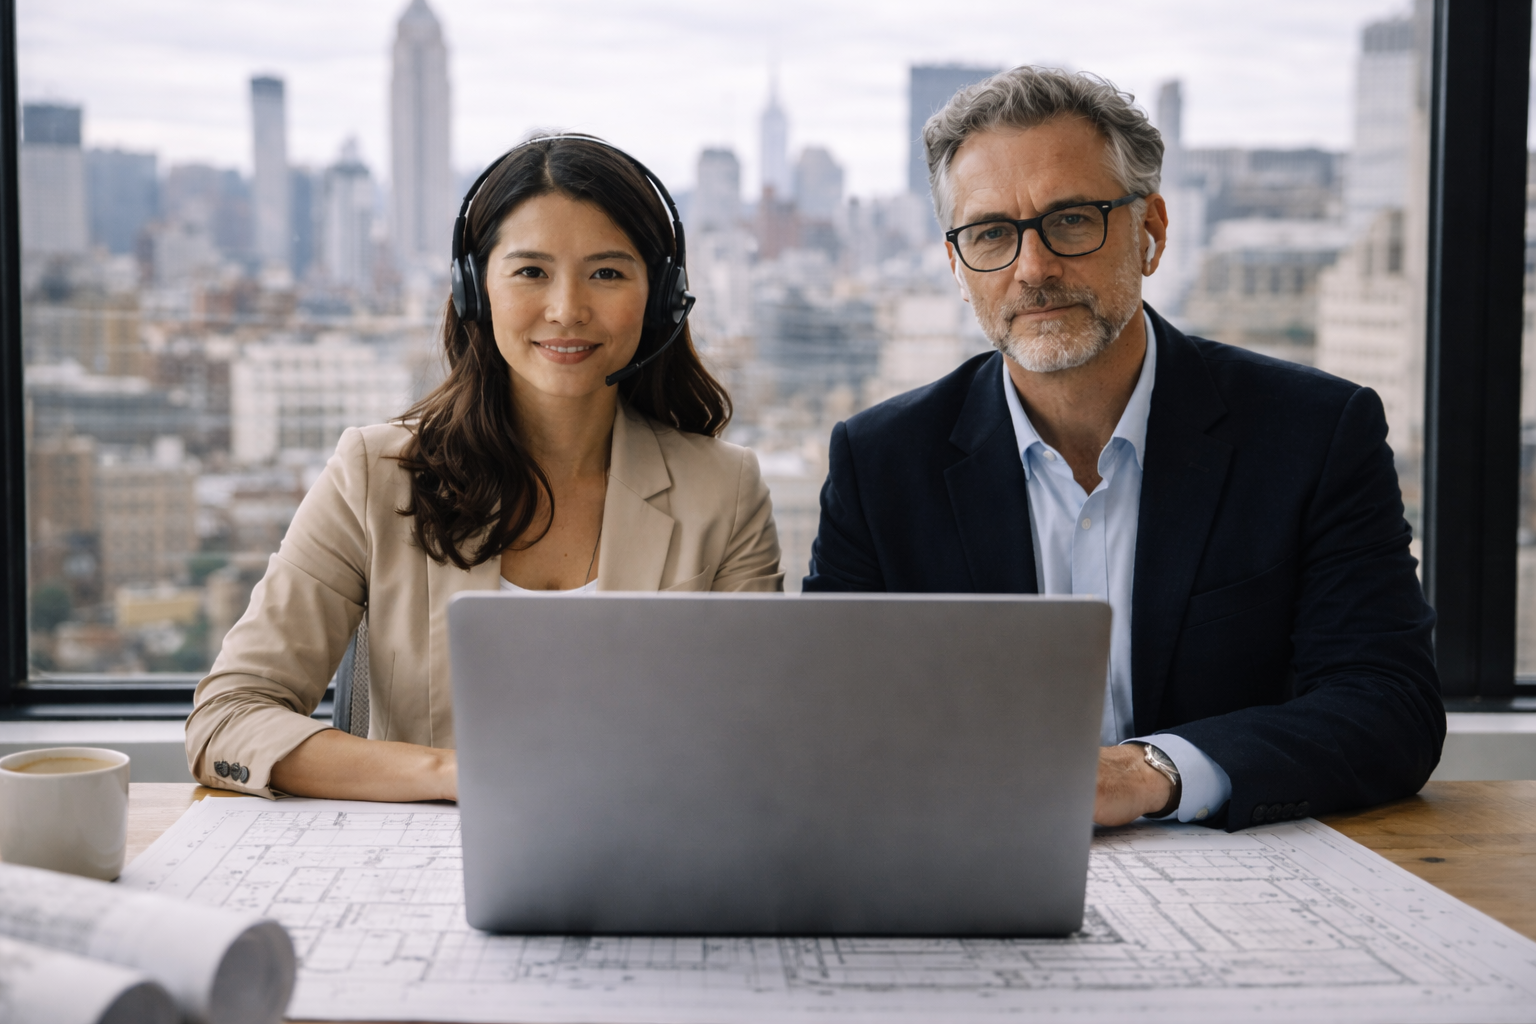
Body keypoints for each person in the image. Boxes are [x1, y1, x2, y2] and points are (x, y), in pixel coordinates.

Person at [803, 67, 1443, 830]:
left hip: (1241, 884)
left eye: (1071, 220)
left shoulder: (1314, 433)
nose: (1032, 269)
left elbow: (1389, 705)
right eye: (990, 234)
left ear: (1152, 232)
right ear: (955, 263)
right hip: (978, 856)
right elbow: (831, 720)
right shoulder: (879, 464)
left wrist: (1153, 772)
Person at [187, 135, 783, 801]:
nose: (568, 308)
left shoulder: (724, 492)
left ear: (663, 296)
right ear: (474, 289)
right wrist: (453, 774)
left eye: (608, 273)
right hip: (416, 869)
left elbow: (754, 740)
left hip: (645, 866)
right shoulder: (372, 474)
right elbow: (227, 720)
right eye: (531, 272)